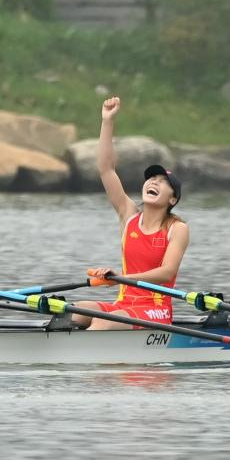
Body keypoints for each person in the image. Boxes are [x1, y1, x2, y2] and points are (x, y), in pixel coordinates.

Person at [75, 96, 190, 329]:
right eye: (151, 178)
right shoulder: (129, 216)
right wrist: (107, 122)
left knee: (102, 324)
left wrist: (120, 278)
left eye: (162, 181)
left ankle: (90, 358)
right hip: (124, 303)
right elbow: (106, 169)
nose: (153, 182)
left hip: (155, 310)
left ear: (173, 198)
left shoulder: (177, 229)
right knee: (73, 312)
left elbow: (167, 273)